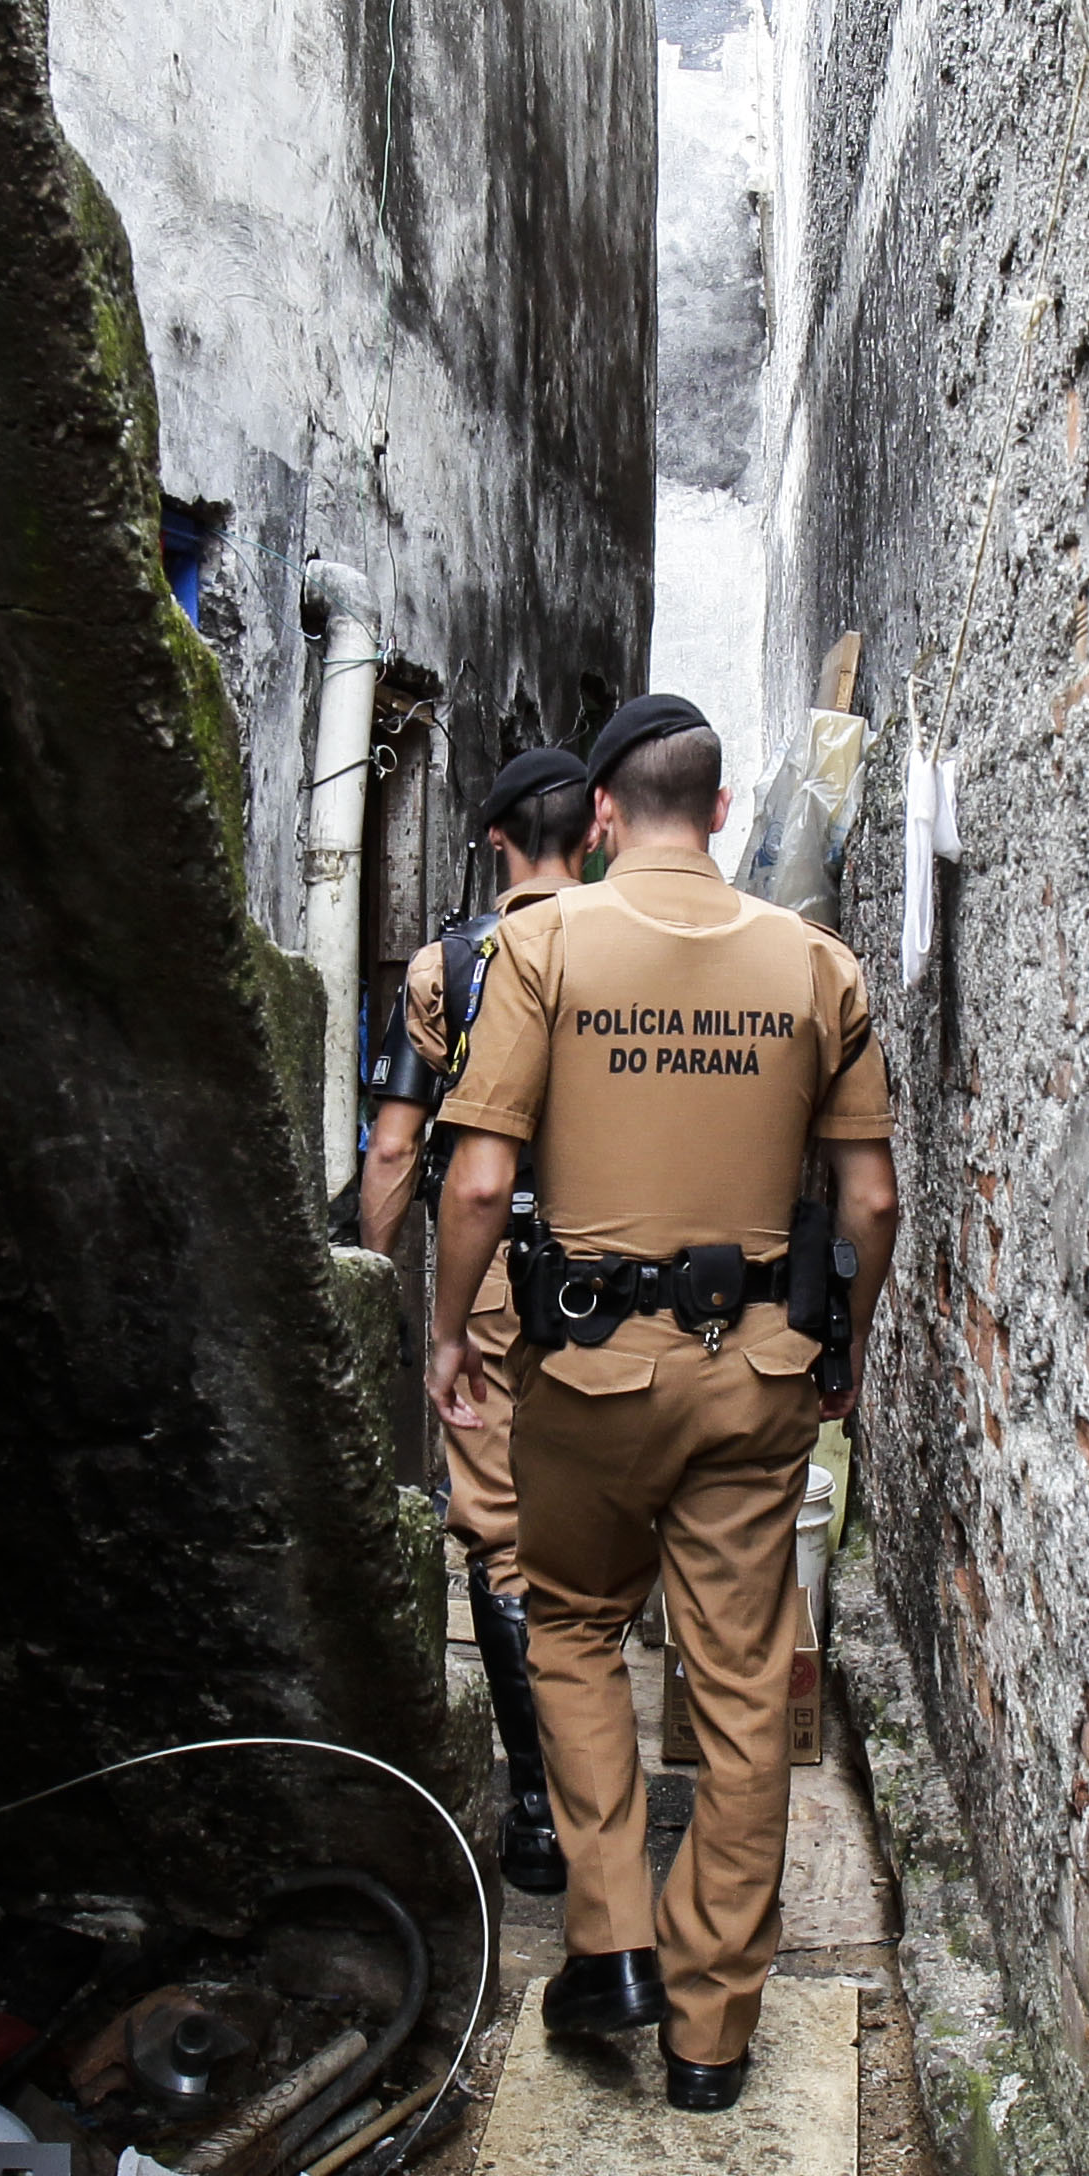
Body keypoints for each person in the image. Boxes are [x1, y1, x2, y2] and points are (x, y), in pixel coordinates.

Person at [427, 694, 899, 2111]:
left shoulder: (541, 948)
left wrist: (448, 1334)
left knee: (573, 1624)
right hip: (757, 1376)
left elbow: (475, 1180)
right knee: (742, 1683)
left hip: (587, 1373)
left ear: (606, 816)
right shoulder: (816, 964)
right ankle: (711, 2032)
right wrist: (845, 1350)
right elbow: (871, 1200)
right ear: (725, 812)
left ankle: (612, 1940)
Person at [356, 744, 596, 1895]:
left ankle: (540, 1813)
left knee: (501, 1531)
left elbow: (396, 1148)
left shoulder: (450, 965)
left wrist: (375, 1284)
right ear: (593, 833)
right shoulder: (633, 946)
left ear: (496, 836)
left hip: (497, 1277)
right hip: (622, 1276)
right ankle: (609, 1794)